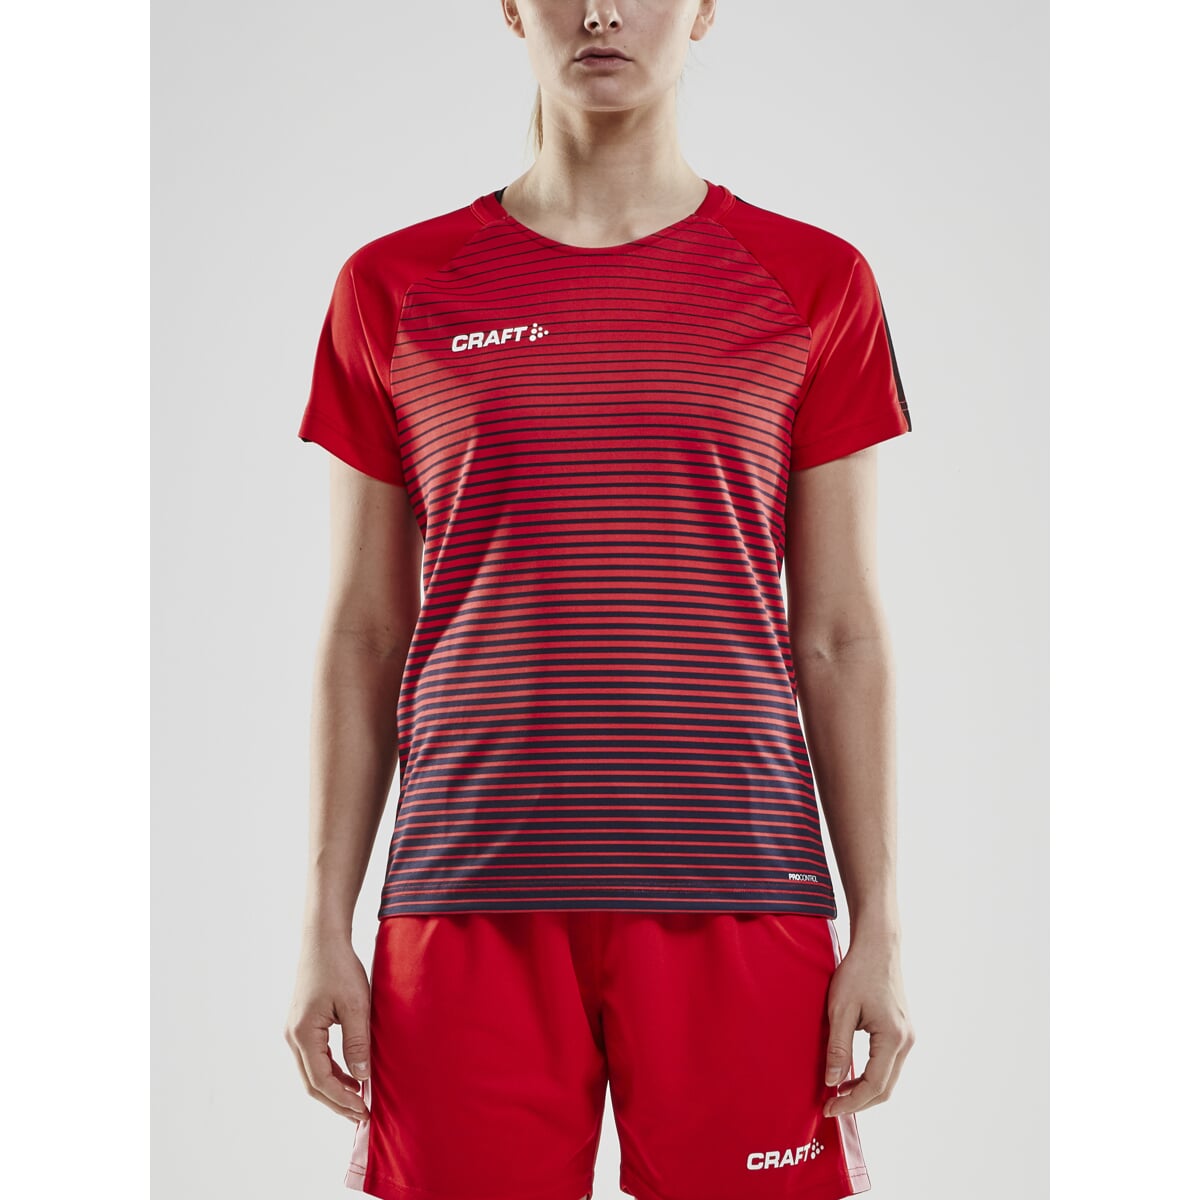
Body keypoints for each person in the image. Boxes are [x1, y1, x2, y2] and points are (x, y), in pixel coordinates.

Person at [284, 3, 916, 1198]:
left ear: (707, 9)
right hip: (466, 895)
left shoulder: (814, 281)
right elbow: (365, 632)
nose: (604, 11)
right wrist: (324, 919)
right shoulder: (393, 286)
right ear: (510, 9)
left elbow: (839, 634)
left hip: (739, 888)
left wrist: (880, 924)